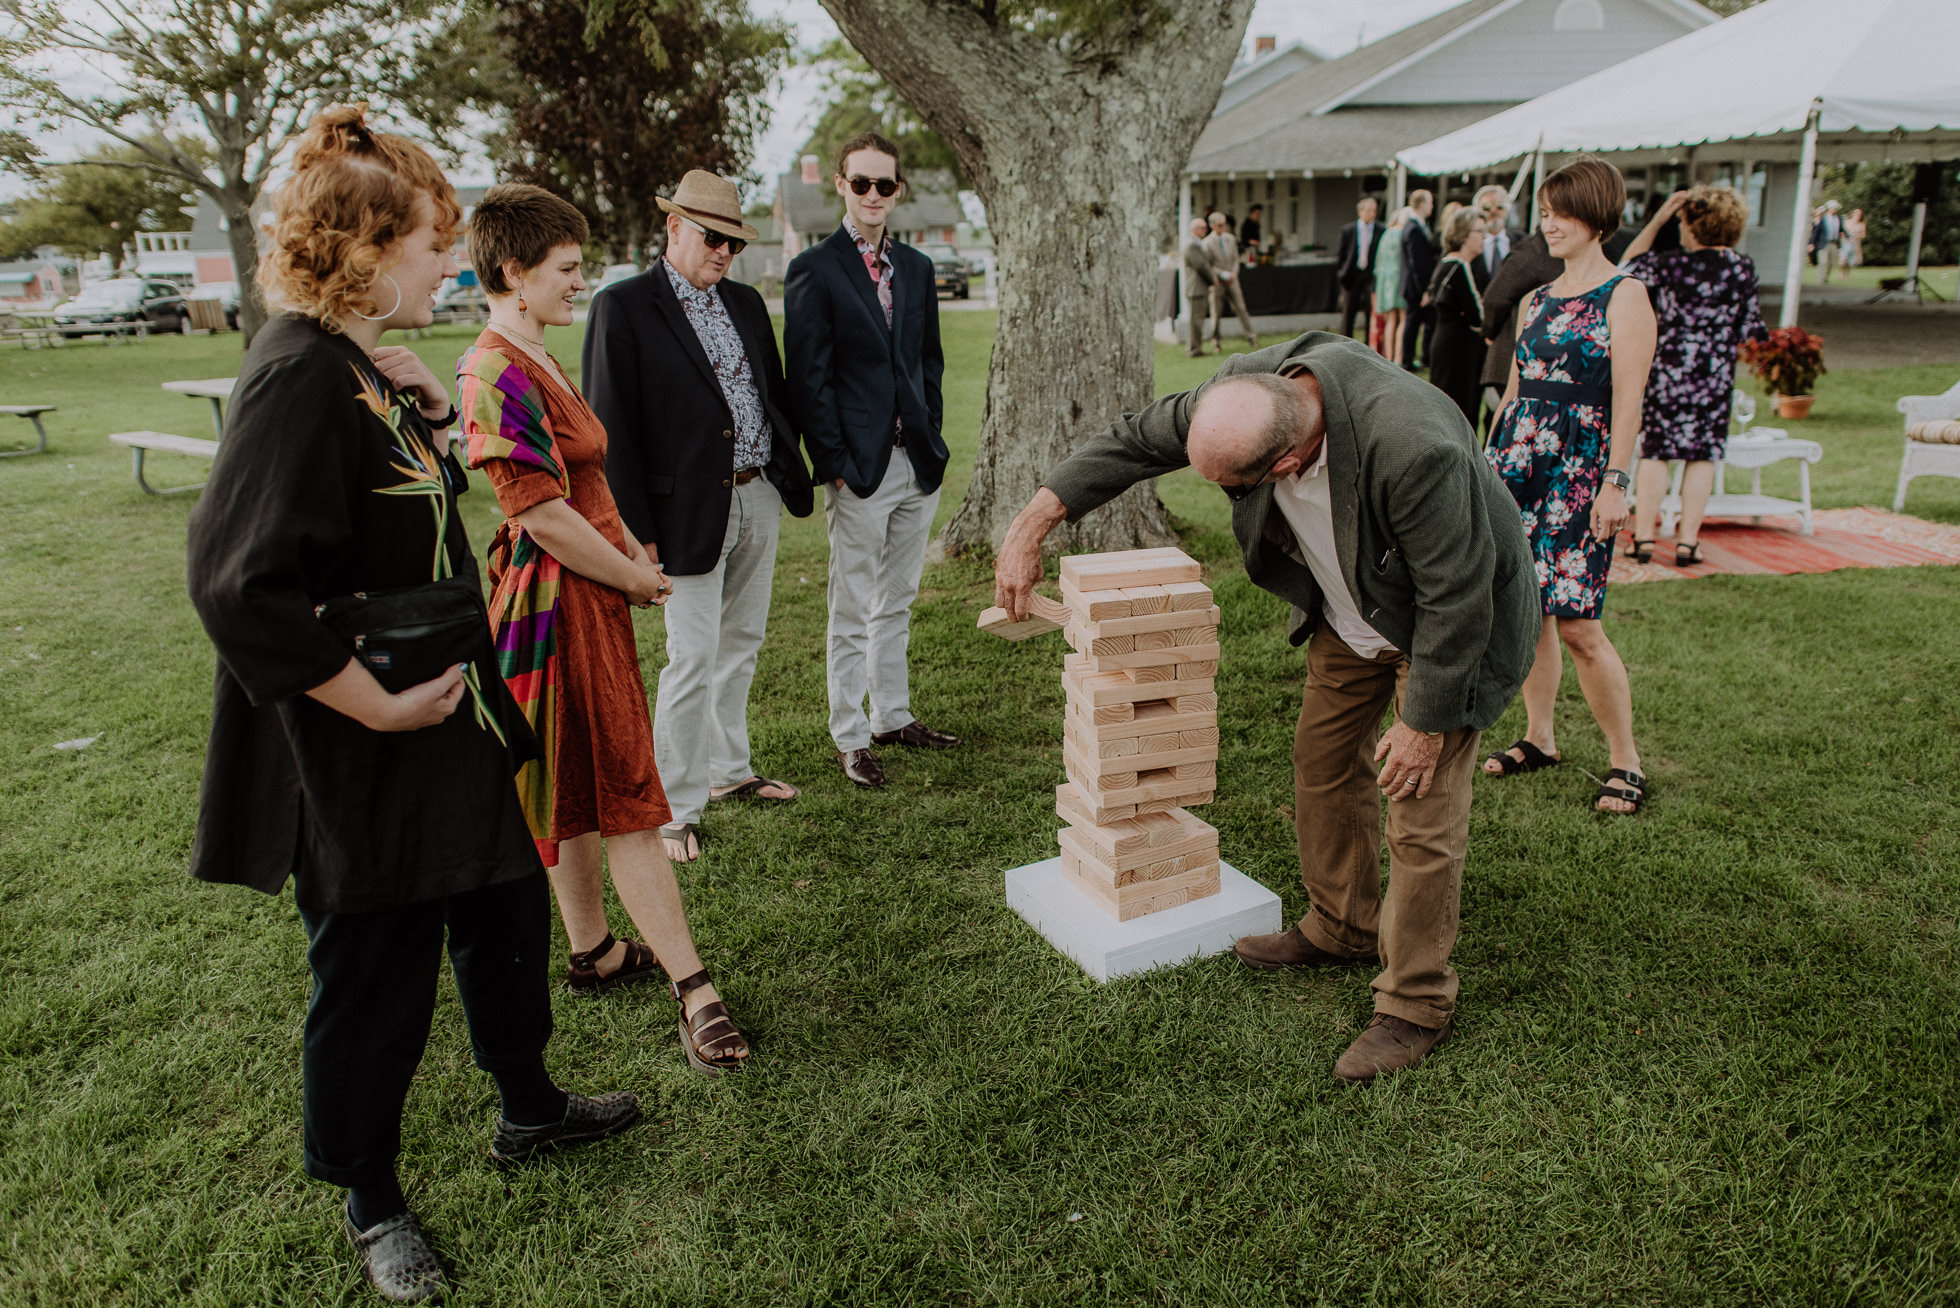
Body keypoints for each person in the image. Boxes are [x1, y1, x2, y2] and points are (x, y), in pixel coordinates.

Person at [184, 110, 638, 1305]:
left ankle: (528, 1107)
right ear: (369, 246)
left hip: (458, 711)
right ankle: (369, 1194)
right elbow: (235, 585)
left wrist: (434, 418)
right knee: (374, 971)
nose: (450, 263)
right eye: (437, 243)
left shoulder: (360, 364)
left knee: (501, 916)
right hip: (365, 741)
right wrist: (370, 708)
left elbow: (407, 514)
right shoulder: (292, 372)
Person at [991, 335, 1535, 1083]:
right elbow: (1134, 441)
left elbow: (1458, 596)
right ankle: (1344, 926)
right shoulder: (1244, 395)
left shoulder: (1414, 449)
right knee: (1321, 762)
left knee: (1421, 806)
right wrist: (1032, 525)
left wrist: (1422, 726)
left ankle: (1415, 1002)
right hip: (1352, 608)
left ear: (1284, 463)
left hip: (1444, 626)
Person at [458, 183, 753, 1076]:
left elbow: (591, 489)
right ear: (512, 274)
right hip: (554, 610)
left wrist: (632, 552)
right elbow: (541, 513)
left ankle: (590, 950)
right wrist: (631, 575)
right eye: (565, 269)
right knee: (628, 788)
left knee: (581, 780)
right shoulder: (491, 369)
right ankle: (694, 988)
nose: (578, 283)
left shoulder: (536, 352)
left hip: (588, 590)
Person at [584, 169, 815, 864]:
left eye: (734, 243)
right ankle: (675, 807)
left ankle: (729, 771)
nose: (723, 252)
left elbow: (769, 392)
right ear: (674, 227)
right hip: (680, 511)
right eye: (713, 238)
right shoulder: (622, 306)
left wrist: (787, 464)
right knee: (692, 657)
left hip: (758, 491)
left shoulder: (744, 301)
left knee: (741, 642)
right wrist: (637, 536)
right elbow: (611, 430)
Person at [785, 130, 960, 791]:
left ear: (899, 190)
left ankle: (892, 715)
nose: (874, 195)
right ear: (840, 184)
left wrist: (932, 430)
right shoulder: (815, 269)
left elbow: (928, 358)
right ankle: (851, 735)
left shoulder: (915, 267)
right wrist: (831, 459)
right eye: (862, 183)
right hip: (856, 469)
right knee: (852, 606)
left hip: (917, 461)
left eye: (886, 184)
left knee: (899, 600)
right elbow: (808, 378)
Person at [1482, 157, 1654, 815]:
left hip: (1581, 471)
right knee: (1528, 613)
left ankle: (1626, 761)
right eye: (1544, 212)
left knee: (1579, 621)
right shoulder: (1537, 298)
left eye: (1559, 212)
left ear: (1593, 214)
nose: (1547, 224)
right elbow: (1515, 393)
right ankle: (1540, 738)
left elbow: (1630, 398)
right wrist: (1487, 464)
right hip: (1518, 463)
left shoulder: (1626, 294)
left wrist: (1616, 483)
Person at [1618, 186, 1770, 565]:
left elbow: (1625, 269)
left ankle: (1645, 537)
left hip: (1668, 370)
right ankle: (1687, 541)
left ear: (1693, 225)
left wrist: (1657, 219)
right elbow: (1751, 325)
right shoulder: (1742, 267)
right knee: (1702, 456)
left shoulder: (1670, 265)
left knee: (1656, 452)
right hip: (1715, 374)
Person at [1479, 227, 1561, 437]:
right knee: (1501, 435)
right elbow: (1495, 298)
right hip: (1508, 360)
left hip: (1541, 369)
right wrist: (1490, 331)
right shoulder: (1531, 252)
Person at [1426, 207, 1488, 427]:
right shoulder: (1459, 266)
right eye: (1479, 231)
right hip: (1459, 349)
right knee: (1460, 411)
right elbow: (1477, 318)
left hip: (1447, 343)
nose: (1484, 236)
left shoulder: (1446, 263)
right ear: (1463, 234)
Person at [1205, 211, 1260, 350]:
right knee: (1216, 313)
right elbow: (1208, 265)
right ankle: (1216, 341)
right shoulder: (1206, 243)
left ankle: (1251, 337)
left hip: (1233, 280)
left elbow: (1236, 259)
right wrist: (1223, 274)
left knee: (1241, 309)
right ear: (1212, 226)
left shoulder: (1230, 238)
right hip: (1217, 282)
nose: (1222, 227)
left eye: (1224, 224)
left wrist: (1233, 275)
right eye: (1219, 225)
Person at [1333, 196, 1382, 341]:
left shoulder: (1381, 229)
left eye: (1374, 211)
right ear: (1360, 211)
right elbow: (1341, 254)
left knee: (1370, 310)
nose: (1372, 214)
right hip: (1352, 274)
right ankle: (1345, 342)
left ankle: (1369, 342)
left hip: (1370, 274)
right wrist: (1342, 273)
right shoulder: (1348, 230)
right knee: (1349, 311)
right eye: (1368, 211)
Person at [1399, 189, 1438, 370]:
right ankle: (1407, 361)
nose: (1432, 206)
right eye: (1430, 202)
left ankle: (1424, 358)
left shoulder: (1418, 225)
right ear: (1422, 204)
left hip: (1417, 286)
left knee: (1419, 324)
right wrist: (1425, 290)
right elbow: (1417, 263)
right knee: (1412, 324)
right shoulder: (1413, 228)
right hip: (1416, 287)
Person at [1371, 206, 1409, 362]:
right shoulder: (1403, 234)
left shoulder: (1386, 234)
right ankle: (1399, 358)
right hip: (1399, 278)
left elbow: (1378, 261)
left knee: (1390, 320)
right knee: (1403, 319)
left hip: (1385, 281)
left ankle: (1388, 356)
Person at [1181, 217, 1219, 357]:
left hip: (1198, 287)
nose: (1205, 230)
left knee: (1198, 319)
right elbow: (1201, 265)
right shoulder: (1192, 245)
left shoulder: (1196, 243)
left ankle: (1195, 347)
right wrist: (1213, 278)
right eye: (1203, 228)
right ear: (1195, 229)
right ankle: (1194, 349)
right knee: (1196, 320)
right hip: (1196, 288)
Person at [1473, 184, 1514, 287]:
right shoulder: (1469, 243)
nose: (1493, 211)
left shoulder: (1522, 241)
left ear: (1507, 209)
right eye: (1486, 208)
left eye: (1499, 206)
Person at [1809, 200, 1845, 284]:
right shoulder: (1823, 219)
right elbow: (1816, 232)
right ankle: (1820, 280)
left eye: (1836, 208)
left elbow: (1841, 229)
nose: (1835, 210)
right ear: (1830, 209)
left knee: (1831, 263)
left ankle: (1825, 279)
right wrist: (1812, 243)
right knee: (1823, 262)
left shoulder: (1838, 218)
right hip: (1823, 244)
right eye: (1834, 208)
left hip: (1833, 243)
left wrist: (1845, 235)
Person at [1842, 207, 1867, 280]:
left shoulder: (1861, 224)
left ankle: (1846, 275)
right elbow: (1842, 232)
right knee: (1843, 260)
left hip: (1855, 244)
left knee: (1850, 261)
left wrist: (1857, 236)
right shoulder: (1847, 222)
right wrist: (1845, 237)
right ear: (1853, 214)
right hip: (1846, 243)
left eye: (1859, 214)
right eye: (1856, 213)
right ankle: (1842, 272)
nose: (1857, 215)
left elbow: (1863, 235)